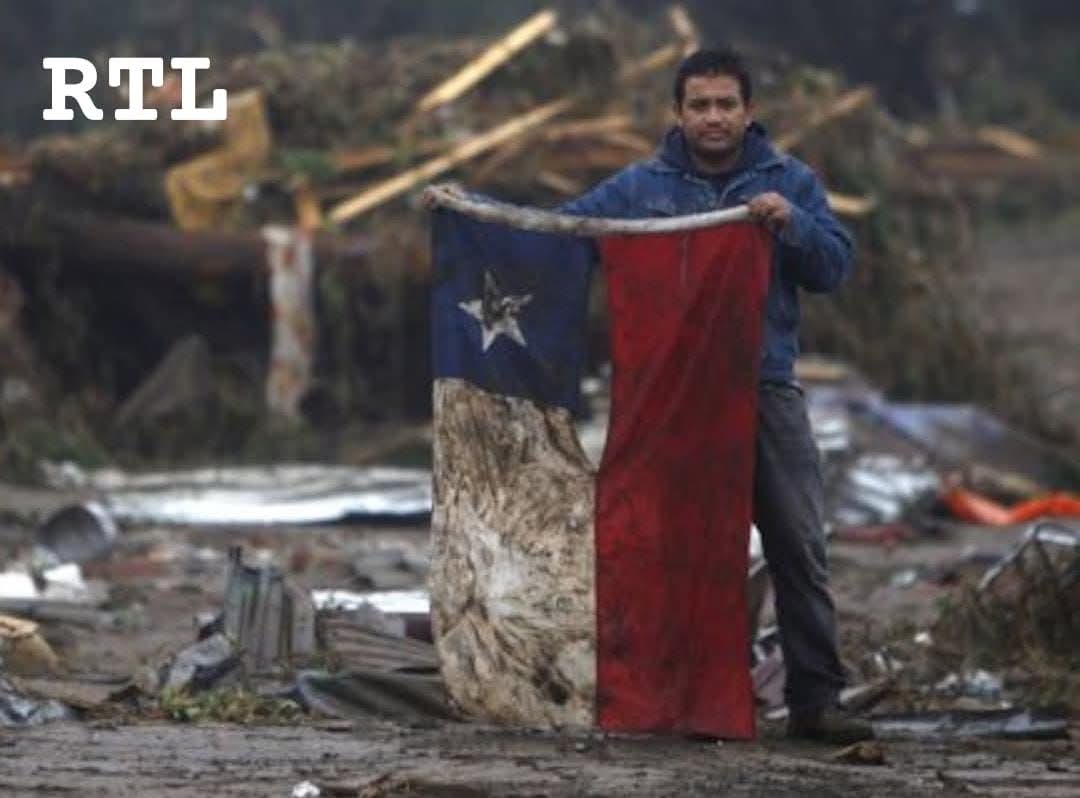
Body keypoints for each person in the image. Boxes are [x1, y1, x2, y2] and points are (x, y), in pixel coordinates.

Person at [562, 48, 872, 745]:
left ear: (748, 111)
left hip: (763, 390)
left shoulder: (788, 180)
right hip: (672, 403)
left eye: (725, 104)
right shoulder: (639, 189)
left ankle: (816, 700)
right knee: (673, 551)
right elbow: (563, 236)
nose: (712, 117)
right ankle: (680, 699)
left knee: (797, 545)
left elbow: (834, 266)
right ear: (677, 113)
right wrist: (471, 218)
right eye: (699, 105)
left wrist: (789, 223)